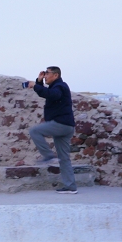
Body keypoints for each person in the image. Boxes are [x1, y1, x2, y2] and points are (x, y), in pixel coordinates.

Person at [30, 66, 78, 195]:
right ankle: (70, 186)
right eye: (44, 74)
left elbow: (52, 95)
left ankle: (48, 155)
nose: (45, 76)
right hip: (67, 126)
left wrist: (35, 85)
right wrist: (39, 82)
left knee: (35, 131)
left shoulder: (60, 86)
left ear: (56, 75)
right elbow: (45, 93)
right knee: (64, 158)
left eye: (47, 73)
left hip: (61, 124)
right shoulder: (55, 86)